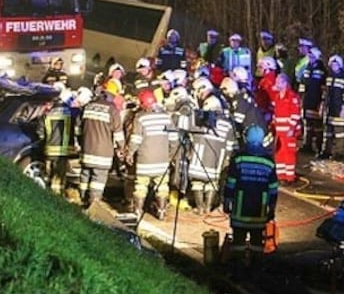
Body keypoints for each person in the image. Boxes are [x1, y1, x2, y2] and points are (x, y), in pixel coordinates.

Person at [223, 124, 278, 266]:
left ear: (246, 139)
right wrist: (271, 208)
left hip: (240, 209)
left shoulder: (238, 159)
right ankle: (256, 267)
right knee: (257, 240)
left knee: (238, 240)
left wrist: (227, 201)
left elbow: (230, 183)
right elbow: (273, 188)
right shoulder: (269, 162)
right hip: (259, 210)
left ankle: (237, 266)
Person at [126, 89, 177, 220]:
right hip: (162, 160)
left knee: (140, 186)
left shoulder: (140, 118)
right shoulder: (166, 117)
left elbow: (136, 139)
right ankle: (161, 211)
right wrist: (171, 155)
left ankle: (138, 211)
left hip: (145, 160)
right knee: (163, 187)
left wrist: (130, 153)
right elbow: (174, 139)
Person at [187, 84, 236, 215]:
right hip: (217, 159)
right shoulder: (227, 124)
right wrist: (226, 158)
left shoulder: (201, 120)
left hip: (200, 158)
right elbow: (230, 144)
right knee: (212, 183)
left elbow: (190, 131)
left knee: (197, 182)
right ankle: (208, 208)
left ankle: (200, 208)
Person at [78, 84, 125, 209]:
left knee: (85, 174)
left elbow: (78, 129)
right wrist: (122, 148)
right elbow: (118, 133)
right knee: (98, 179)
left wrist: (80, 143)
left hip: (86, 149)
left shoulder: (87, 107)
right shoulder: (112, 109)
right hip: (103, 152)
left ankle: (82, 198)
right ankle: (94, 203)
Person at [42, 86, 91, 196]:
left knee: (49, 174)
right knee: (58, 178)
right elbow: (78, 130)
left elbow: (41, 130)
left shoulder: (49, 112)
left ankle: (46, 195)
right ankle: (57, 198)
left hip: (49, 149)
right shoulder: (71, 113)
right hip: (62, 150)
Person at [318, 54, 344, 160]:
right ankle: (326, 151)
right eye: (332, 64)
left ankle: (339, 152)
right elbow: (325, 93)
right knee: (327, 132)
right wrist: (322, 105)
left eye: (335, 64)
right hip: (329, 109)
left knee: (339, 133)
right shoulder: (329, 78)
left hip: (339, 109)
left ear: (340, 65)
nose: (333, 66)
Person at [271, 73, 302, 184]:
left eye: (279, 82)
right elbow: (275, 113)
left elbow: (295, 114)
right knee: (279, 153)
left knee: (289, 154)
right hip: (279, 131)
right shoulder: (278, 96)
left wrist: (291, 128)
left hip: (288, 132)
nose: (276, 84)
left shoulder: (292, 97)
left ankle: (290, 177)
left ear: (284, 83)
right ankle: (281, 176)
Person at [298, 46, 327, 154]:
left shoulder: (322, 70)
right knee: (307, 124)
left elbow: (324, 88)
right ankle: (307, 145)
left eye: (312, 56)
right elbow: (302, 84)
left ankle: (319, 147)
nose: (310, 58)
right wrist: (301, 98)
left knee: (317, 126)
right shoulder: (306, 68)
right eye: (309, 56)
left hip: (316, 101)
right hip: (307, 101)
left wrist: (322, 102)